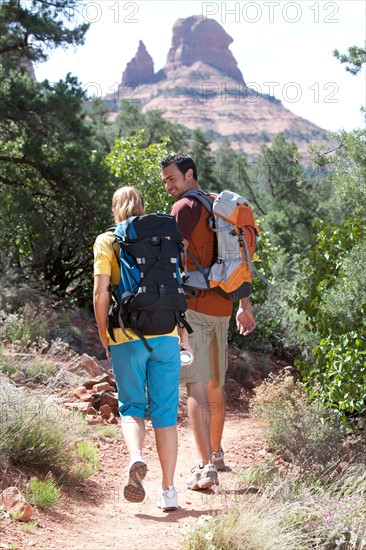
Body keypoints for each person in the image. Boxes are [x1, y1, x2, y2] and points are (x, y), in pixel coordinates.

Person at [160, 154, 256, 491]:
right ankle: (216, 455)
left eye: (172, 179)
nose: (169, 186)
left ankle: (204, 468)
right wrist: (245, 305)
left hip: (193, 308)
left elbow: (170, 256)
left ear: (189, 175)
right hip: (223, 308)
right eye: (166, 181)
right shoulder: (219, 206)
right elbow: (241, 260)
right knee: (215, 384)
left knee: (195, 387)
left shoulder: (184, 209)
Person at [93, 185, 191, 511]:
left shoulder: (108, 241)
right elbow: (177, 286)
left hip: (127, 335)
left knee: (131, 406)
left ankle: (136, 456)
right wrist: (183, 336)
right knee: (165, 415)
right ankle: (169, 490)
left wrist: (104, 334)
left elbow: (100, 293)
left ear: (115, 209)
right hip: (166, 334)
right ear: (143, 207)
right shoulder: (164, 241)